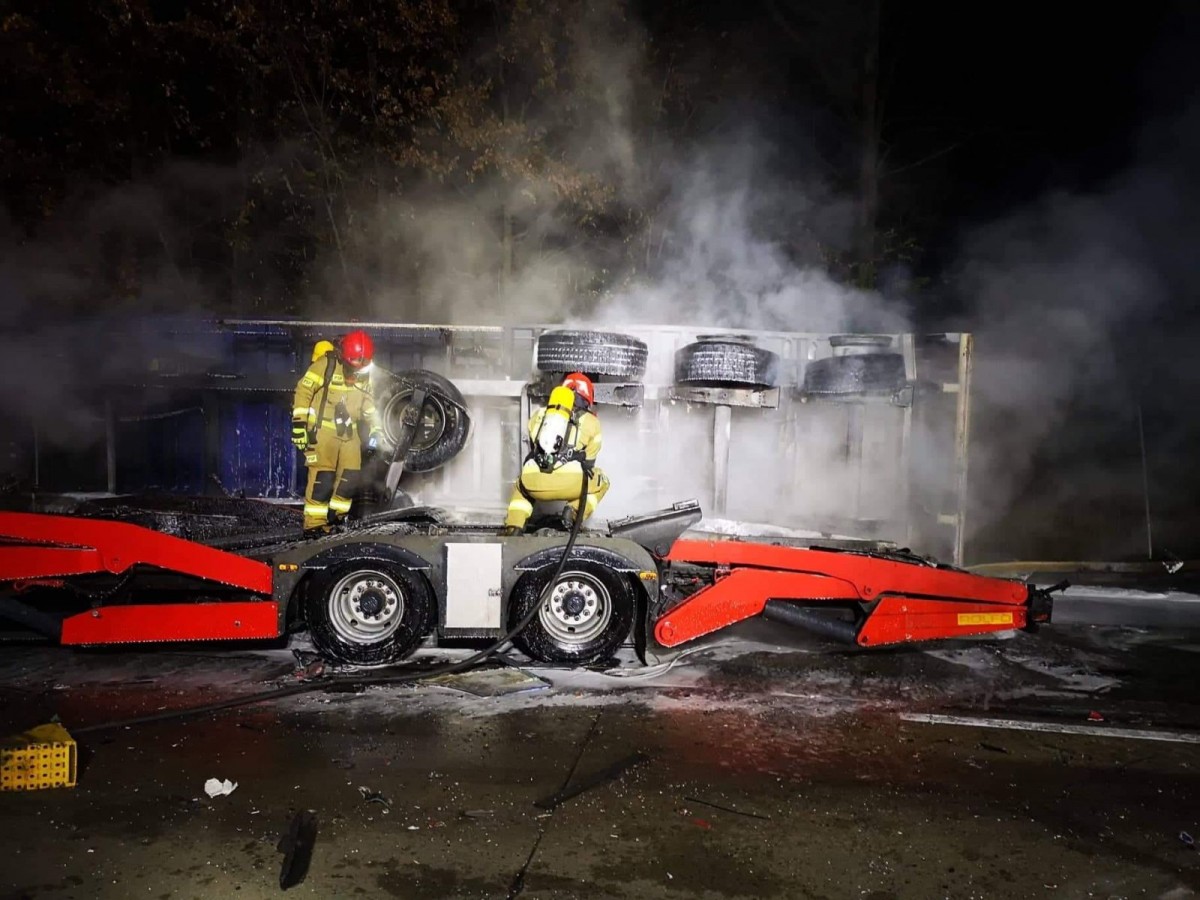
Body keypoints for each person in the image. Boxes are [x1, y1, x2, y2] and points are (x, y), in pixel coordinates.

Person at [291, 330, 382, 531]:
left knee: (351, 479)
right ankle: (314, 525)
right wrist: (299, 425)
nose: (356, 372)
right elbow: (303, 392)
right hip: (323, 433)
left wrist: (377, 430)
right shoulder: (325, 366)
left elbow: (369, 405)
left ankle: (336, 519)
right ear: (344, 357)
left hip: (350, 434)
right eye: (353, 365)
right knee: (322, 481)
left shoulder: (365, 374)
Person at [502, 372, 609, 535]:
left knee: (520, 485)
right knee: (602, 480)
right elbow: (589, 464)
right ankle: (572, 513)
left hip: (533, 483)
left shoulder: (539, 415)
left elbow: (535, 446)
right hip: (569, 484)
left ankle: (513, 526)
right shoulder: (592, 422)